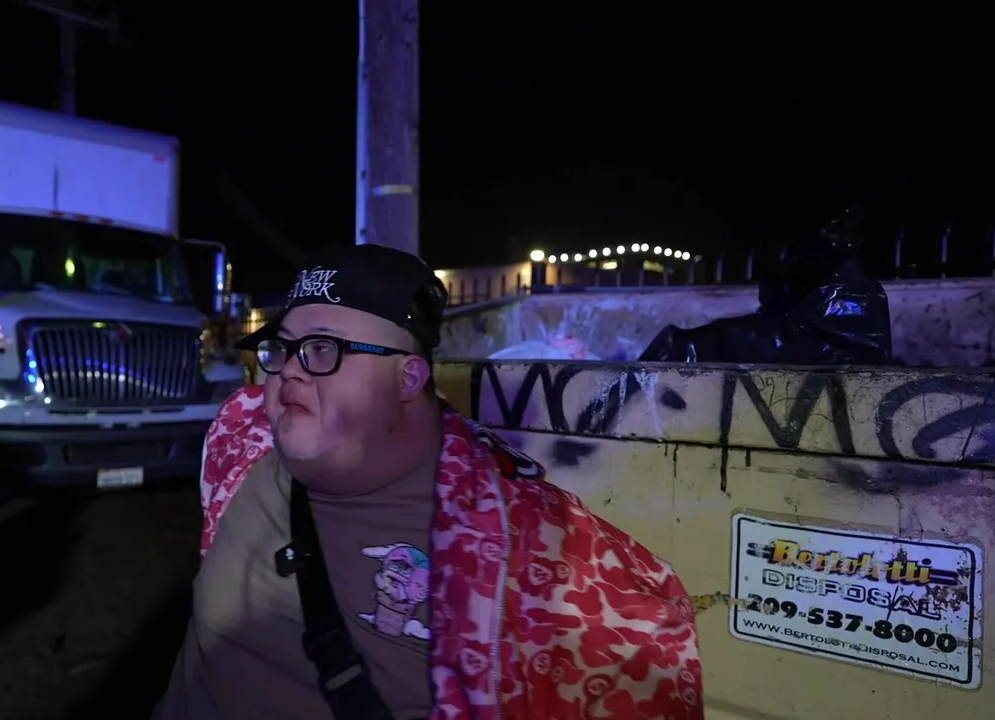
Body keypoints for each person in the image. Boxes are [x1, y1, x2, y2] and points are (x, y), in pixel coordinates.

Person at [153, 244, 703, 719]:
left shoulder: (516, 535)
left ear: (408, 378)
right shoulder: (242, 438)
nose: (291, 368)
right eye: (284, 348)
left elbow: (649, 645)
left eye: (323, 349)